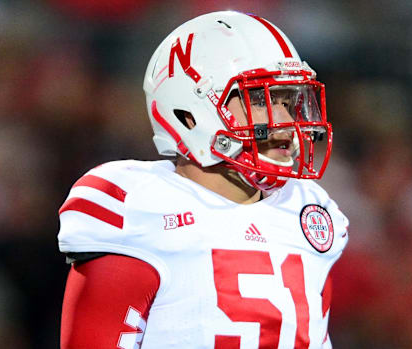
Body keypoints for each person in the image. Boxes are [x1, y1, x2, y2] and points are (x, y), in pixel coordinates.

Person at [58, 11, 348, 349]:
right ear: (189, 113)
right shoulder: (138, 209)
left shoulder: (307, 211)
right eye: (259, 100)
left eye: (287, 100)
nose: (284, 122)